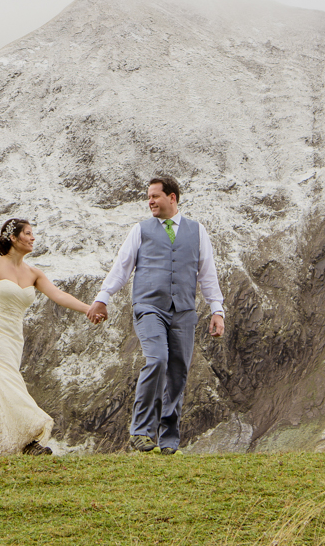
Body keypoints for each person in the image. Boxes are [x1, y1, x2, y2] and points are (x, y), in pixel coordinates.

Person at [86, 176, 225, 454]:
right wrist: (103, 298)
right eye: (148, 197)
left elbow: (207, 273)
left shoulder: (197, 231)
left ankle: (168, 439)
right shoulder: (141, 230)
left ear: (172, 198)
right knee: (158, 359)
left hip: (184, 311)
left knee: (178, 372)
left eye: (155, 196)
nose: (150, 201)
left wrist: (217, 310)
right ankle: (140, 431)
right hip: (149, 307)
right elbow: (122, 267)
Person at [0, 218, 94, 456]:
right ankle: (29, 440)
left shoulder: (34, 273)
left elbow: (59, 295)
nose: (33, 238)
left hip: (14, 336)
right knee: (8, 381)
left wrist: (88, 308)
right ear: (13, 238)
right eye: (28, 233)